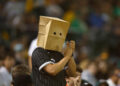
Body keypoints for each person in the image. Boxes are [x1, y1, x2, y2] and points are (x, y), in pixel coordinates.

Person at [32, 16, 76, 86]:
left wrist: (70, 55)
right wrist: (66, 57)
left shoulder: (59, 54)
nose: (57, 37)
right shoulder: (39, 52)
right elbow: (52, 70)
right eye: (54, 33)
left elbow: (72, 73)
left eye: (60, 34)